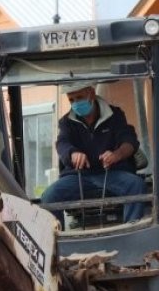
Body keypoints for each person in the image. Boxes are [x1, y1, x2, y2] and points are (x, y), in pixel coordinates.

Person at [39, 81, 145, 227]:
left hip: (111, 173)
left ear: (92, 94)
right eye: (71, 100)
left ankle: (132, 232)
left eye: (80, 97)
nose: (76, 103)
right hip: (79, 176)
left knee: (136, 185)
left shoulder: (115, 116)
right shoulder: (66, 122)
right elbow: (62, 143)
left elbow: (129, 141)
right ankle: (57, 242)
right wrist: (73, 153)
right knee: (49, 197)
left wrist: (116, 155)